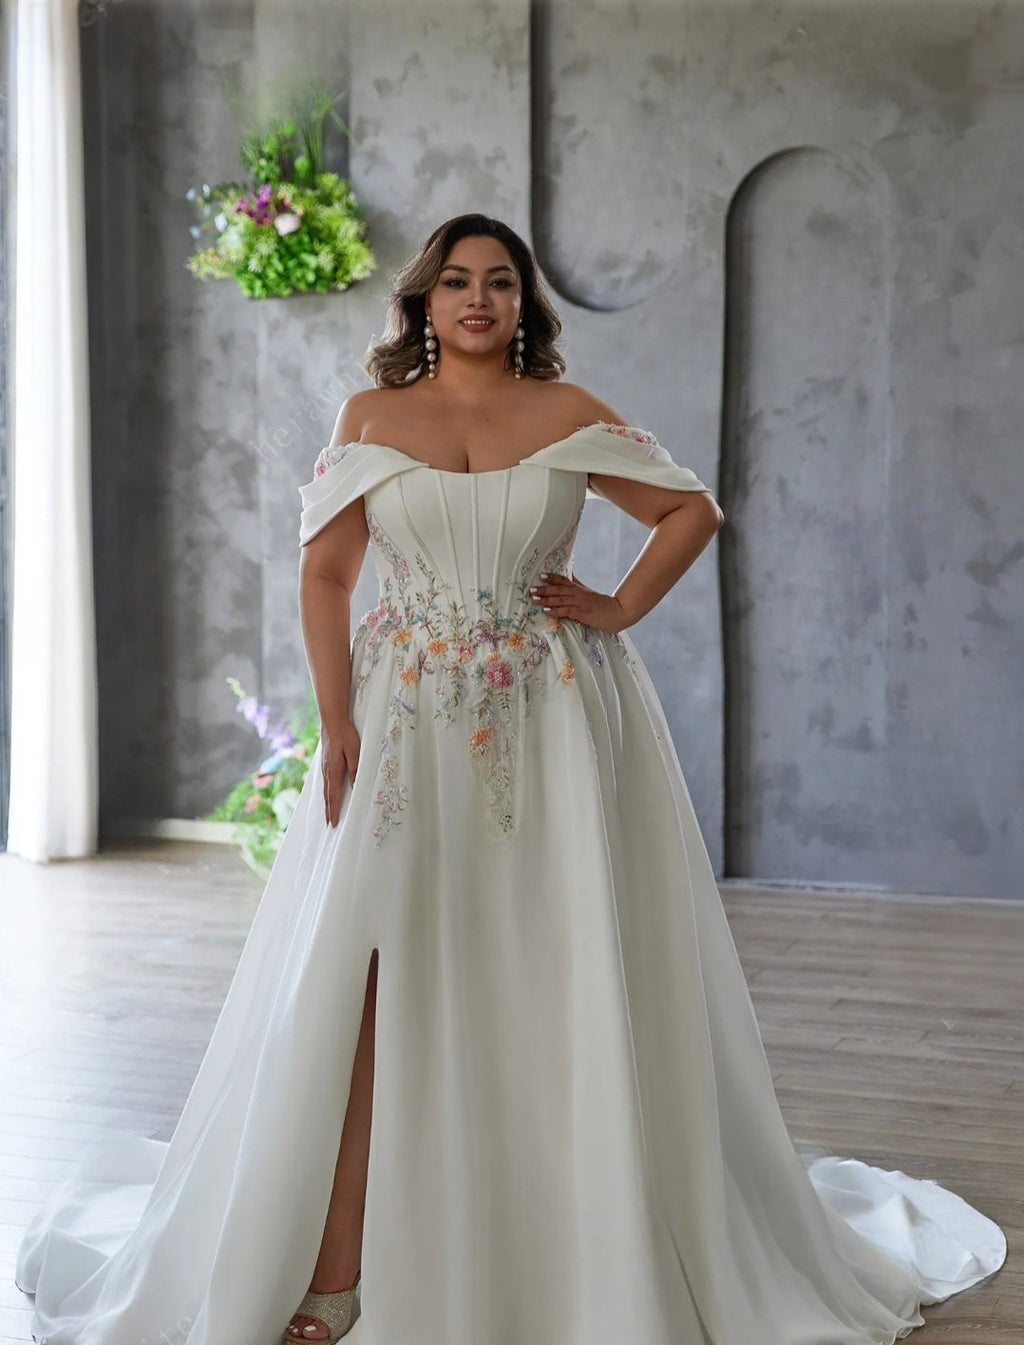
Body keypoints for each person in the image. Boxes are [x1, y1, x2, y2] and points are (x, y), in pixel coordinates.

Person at [16, 214, 1005, 1345]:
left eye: (497, 283)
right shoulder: (371, 418)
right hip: (401, 724)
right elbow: (327, 573)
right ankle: (336, 1268)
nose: (476, 300)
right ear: (422, 305)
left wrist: (621, 604)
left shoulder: (569, 415)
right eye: (454, 283)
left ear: (524, 305)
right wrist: (335, 718)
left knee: (551, 964)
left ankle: (581, 1257)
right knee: (367, 980)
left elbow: (691, 511)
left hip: (552, 716)